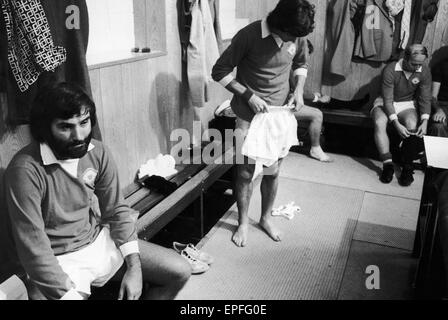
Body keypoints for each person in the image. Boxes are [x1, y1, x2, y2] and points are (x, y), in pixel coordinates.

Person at [3, 83, 191, 300]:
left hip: (97, 243)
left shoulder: (98, 151)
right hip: (55, 260)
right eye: (65, 127)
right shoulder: (24, 169)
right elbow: (34, 247)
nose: (79, 135)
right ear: (45, 128)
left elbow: (117, 210)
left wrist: (134, 267)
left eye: (84, 123)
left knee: (179, 271)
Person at [212, 0, 317, 247]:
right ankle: (242, 223)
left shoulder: (296, 35)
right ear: (279, 25)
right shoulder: (249, 35)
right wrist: (248, 95)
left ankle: (266, 218)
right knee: (246, 172)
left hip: (280, 114)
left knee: (273, 171)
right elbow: (219, 71)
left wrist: (299, 90)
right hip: (249, 115)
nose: (294, 41)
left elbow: (301, 64)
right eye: (291, 36)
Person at [371, 44, 432, 187]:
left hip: (406, 103)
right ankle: (388, 165)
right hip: (385, 102)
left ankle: (407, 167)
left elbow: (425, 98)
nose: (417, 67)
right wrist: (396, 123)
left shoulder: (424, 70)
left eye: (420, 64)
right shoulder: (391, 69)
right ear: (405, 57)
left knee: (412, 122)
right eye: (414, 64)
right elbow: (387, 100)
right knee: (380, 122)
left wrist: (425, 121)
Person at [428, 56, 448, 137]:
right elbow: (433, 96)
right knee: (438, 126)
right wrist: (438, 110)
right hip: (443, 105)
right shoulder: (441, 66)